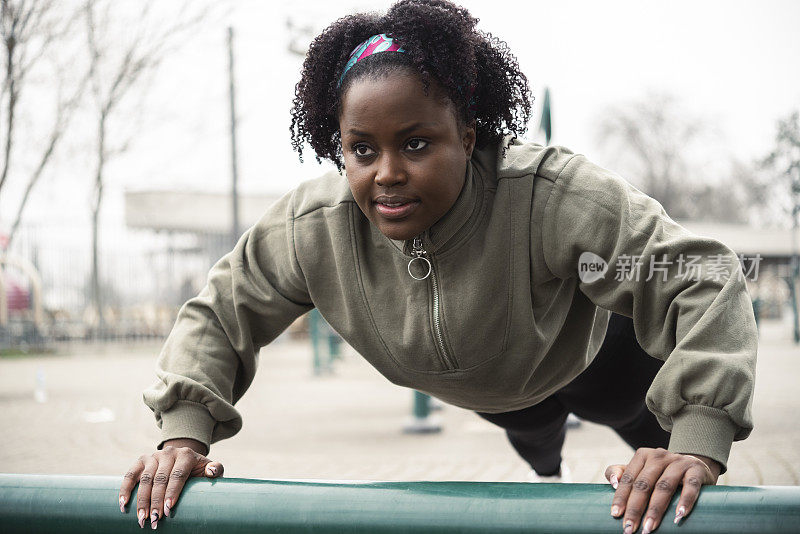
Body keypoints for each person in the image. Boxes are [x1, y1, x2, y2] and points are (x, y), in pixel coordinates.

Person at [118, 1, 758, 532]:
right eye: (361, 149)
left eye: (416, 143)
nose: (387, 173)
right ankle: (544, 460)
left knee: (635, 428)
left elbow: (701, 277)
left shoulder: (550, 196)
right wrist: (183, 437)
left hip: (593, 355)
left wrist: (696, 441)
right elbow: (222, 307)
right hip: (492, 387)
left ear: (470, 137)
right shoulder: (315, 228)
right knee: (534, 435)